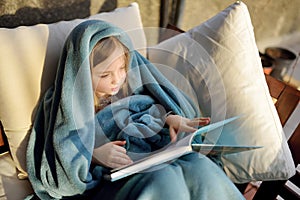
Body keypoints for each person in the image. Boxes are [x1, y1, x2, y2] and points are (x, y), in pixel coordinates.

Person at [26, 20, 245, 200]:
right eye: (105, 75)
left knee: (199, 166)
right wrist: (93, 155)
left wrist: (168, 119)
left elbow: (147, 109)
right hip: (110, 183)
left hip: (149, 160)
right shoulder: (64, 102)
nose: (117, 80)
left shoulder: (127, 91)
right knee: (163, 179)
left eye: (122, 68)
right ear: (81, 73)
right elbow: (59, 154)